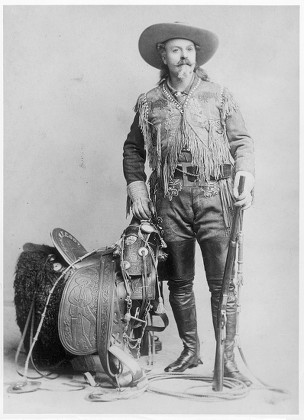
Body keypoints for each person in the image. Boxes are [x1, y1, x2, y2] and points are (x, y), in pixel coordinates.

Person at [123, 22, 254, 385]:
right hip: (169, 198)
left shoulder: (218, 95)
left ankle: (225, 360)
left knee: (222, 284)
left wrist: (245, 172)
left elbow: (241, 141)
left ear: (196, 57)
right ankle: (190, 350)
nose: (184, 57)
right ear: (163, 55)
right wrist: (137, 190)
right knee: (179, 281)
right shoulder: (149, 102)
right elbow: (133, 149)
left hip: (214, 195)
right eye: (177, 50)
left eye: (190, 51)